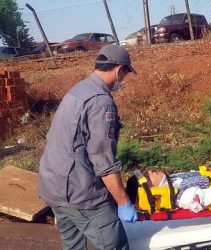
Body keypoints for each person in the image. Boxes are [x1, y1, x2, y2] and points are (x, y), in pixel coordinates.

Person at [38, 44, 138, 250]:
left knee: (73, 245)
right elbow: (104, 161)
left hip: (53, 186)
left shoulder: (79, 90)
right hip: (80, 193)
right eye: (126, 73)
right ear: (119, 69)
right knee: (115, 245)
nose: (124, 79)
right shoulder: (101, 103)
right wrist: (123, 202)